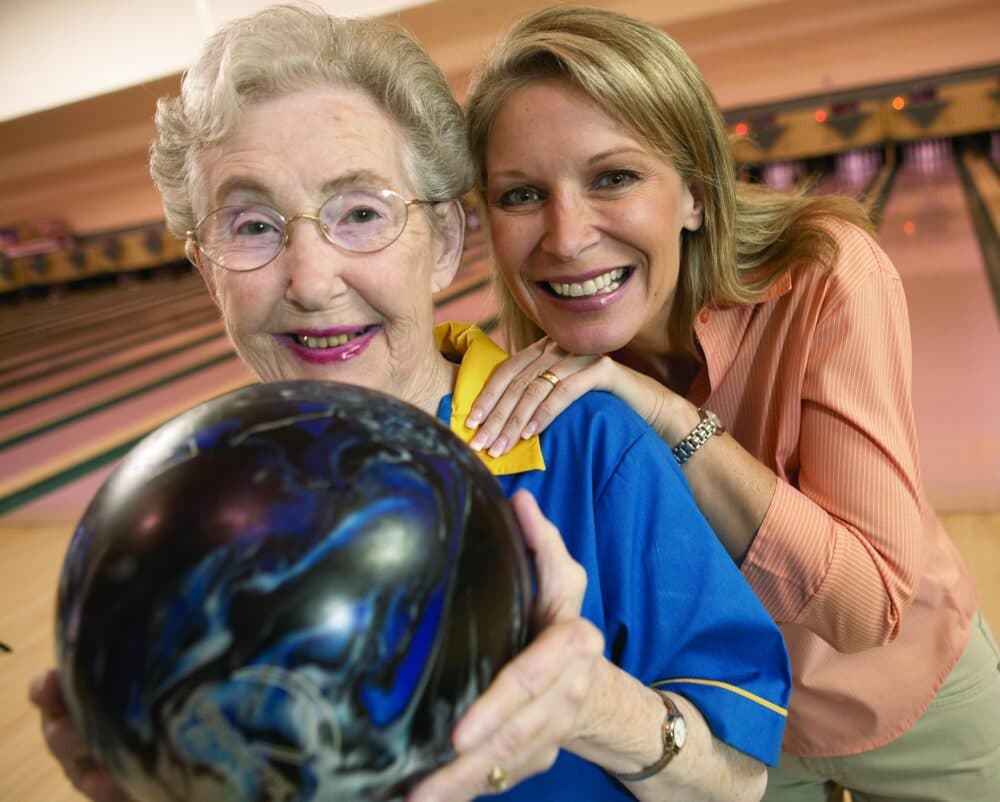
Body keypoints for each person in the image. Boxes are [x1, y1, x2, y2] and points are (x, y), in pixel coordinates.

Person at [28, 6, 791, 802]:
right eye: (251, 225)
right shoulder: (177, 516)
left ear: (447, 244)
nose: (312, 281)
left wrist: (593, 704)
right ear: (207, 268)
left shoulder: (593, 449)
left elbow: (738, 782)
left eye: (361, 212)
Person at [459, 5, 1000, 801]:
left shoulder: (828, 276)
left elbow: (865, 611)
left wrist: (664, 414)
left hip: (905, 692)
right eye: (520, 195)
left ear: (697, 196)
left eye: (614, 177)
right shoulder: (535, 384)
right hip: (732, 734)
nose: (566, 237)